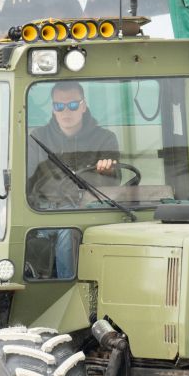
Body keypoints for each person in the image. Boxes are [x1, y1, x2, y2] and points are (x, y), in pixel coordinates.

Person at [27, 81, 120, 278]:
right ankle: (64, 289)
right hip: (45, 213)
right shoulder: (38, 139)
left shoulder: (105, 139)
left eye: (72, 105)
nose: (65, 111)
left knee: (71, 231)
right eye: (59, 106)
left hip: (92, 212)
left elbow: (115, 184)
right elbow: (27, 184)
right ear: (53, 109)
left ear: (83, 106)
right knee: (57, 233)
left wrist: (107, 172)